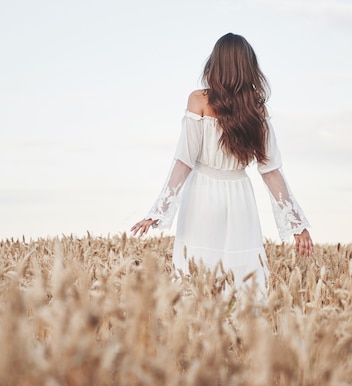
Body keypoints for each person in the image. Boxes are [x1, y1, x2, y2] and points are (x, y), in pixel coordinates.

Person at [131, 33, 313, 291]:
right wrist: (297, 224)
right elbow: (271, 170)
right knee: (241, 280)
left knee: (197, 278)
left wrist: (157, 211)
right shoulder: (257, 110)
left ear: (215, 64)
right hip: (240, 198)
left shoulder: (198, 100)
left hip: (202, 197)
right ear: (248, 67)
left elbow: (184, 161)